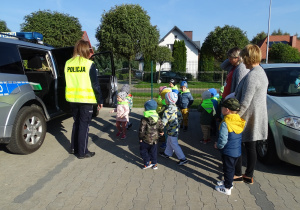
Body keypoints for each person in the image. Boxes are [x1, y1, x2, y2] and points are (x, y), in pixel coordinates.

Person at [233, 44, 268, 184]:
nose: (241, 60)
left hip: (248, 116)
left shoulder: (253, 76)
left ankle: (238, 174)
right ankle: (248, 175)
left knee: (238, 144)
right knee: (250, 145)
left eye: (243, 56)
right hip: (254, 115)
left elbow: (245, 101)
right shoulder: (260, 72)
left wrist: (235, 117)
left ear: (248, 58)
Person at [64, 39, 103, 159]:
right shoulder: (89, 64)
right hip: (86, 100)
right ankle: (83, 152)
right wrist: (100, 100)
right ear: (85, 50)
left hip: (72, 98)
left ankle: (74, 148)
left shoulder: (68, 63)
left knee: (77, 123)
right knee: (84, 125)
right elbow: (95, 85)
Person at [214, 98, 246, 195]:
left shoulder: (225, 123)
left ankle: (227, 188)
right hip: (237, 151)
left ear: (227, 110)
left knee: (227, 169)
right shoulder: (239, 120)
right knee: (231, 168)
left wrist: (218, 145)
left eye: (222, 107)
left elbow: (223, 139)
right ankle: (228, 182)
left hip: (228, 152)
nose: (221, 109)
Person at [159, 92, 189, 165]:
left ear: (168, 101)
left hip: (171, 130)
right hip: (175, 129)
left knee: (174, 144)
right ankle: (167, 153)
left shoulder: (167, 111)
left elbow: (163, 122)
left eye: (166, 99)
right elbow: (180, 118)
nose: (165, 100)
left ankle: (183, 158)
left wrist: (160, 130)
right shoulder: (177, 108)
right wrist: (177, 124)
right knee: (169, 141)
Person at [139, 100, 164, 170]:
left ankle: (147, 162)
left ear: (146, 108)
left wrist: (140, 138)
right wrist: (161, 131)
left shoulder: (144, 119)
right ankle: (154, 164)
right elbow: (161, 125)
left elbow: (142, 129)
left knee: (143, 150)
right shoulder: (157, 117)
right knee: (153, 151)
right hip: (155, 139)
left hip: (145, 139)